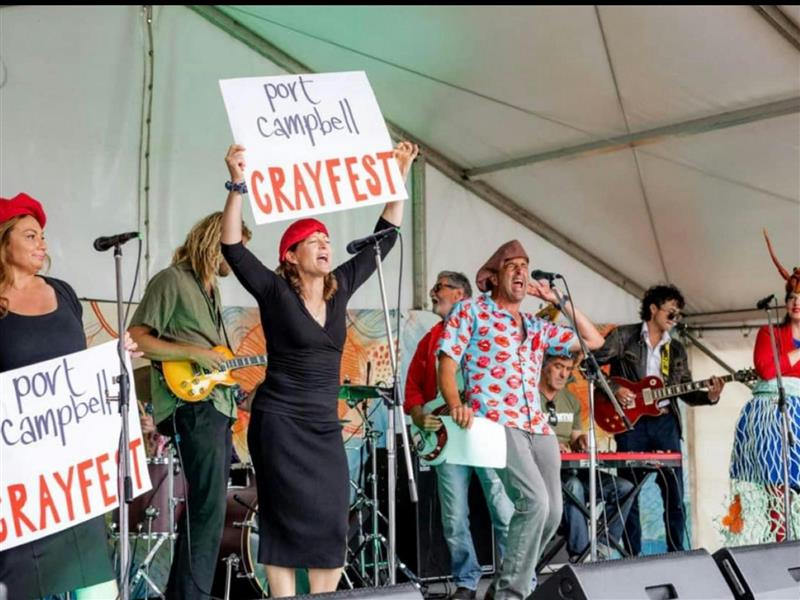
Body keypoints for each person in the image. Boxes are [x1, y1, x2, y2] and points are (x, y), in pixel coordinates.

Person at [220, 140, 418, 597]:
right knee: (282, 519)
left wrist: (398, 176)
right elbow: (232, 246)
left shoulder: (340, 287)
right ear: (290, 254)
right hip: (279, 422)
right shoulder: (273, 291)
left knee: (332, 518)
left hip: (322, 426)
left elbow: (382, 242)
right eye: (314, 239)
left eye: (327, 239)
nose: (325, 243)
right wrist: (237, 184)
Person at [437, 240, 604, 600]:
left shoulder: (535, 325)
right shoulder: (472, 311)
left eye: (525, 266)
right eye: (511, 265)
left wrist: (558, 302)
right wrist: (455, 404)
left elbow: (594, 339)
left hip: (538, 426)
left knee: (553, 512)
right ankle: (510, 594)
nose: (521, 271)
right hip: (498, 420)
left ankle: (500, 587)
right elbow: (447, 362)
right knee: (534, 502)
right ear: (494, 277)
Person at [0, 192, 135, 599]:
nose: (42, 243)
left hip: (69, 473)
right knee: (23, 580)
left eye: (42, 235)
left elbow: (76, 370)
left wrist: (117, 358)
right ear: (4, 242)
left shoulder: (63, 293)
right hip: (17, 474)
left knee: (93, 583)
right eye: (30, 236)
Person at [128, 212, 252, 600]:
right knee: (208, 508)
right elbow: (136, 337)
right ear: (213, 242)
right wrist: (193, 352)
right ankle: (190, 594)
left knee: (207, 506)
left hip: (214, 404)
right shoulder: (171, 281)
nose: (235, 257)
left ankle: (185, 592)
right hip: (191, 405)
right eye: (231, 248)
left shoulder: (208, 289)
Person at [404, 271, 513, 600]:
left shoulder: (486, 329)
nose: (434, 293)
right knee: (453, 516)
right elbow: (412, 387)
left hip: (485, 431)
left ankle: (512, 582)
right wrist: (419, 413)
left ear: (461, 294)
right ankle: (466, 581)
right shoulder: (430, 338)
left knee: (503, 508)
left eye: (440, 288)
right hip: (447, 437)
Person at [593, 284, 725, 555]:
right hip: (631, 423)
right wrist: (616, 390)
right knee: (629, 493)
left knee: (674, 495)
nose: (675, 318)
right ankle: (632, 556)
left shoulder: (675, 349)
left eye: (678, 314)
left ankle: (677, 553)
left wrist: (710, 396)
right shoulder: (623, 336)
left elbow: (686, 390)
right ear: (653, 308)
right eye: (671, 312)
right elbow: (591, 366)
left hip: (665, 423)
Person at [723, 233, 800, 544]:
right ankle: (778, 548)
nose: (797, 304)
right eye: (793, 299)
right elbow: (767, 369)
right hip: (771, 417)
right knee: (775, 486)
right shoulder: (768, 332)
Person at [539, 352, 634, 561]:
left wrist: (581, 440)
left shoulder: (571, 401)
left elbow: (574, 437)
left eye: (568, 369)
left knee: (624, 488)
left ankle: (603, 547)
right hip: (543, 476)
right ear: (544, 367)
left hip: (570, 471)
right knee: (574, 486)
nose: (563, 374)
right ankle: (581, 556)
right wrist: (551, 444)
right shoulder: (529, 399)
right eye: (557, 367)